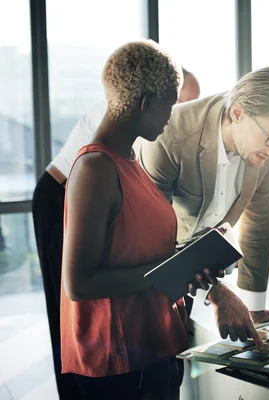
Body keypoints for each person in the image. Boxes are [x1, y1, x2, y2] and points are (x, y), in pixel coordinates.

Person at [31, 68, 199, 399]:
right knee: (65, 314)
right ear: (147, 102)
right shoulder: (99, 161)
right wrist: (161, 272)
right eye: (173, 105)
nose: (176, 116)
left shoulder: (132, 150)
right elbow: (80, 284)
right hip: (60, 190)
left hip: (145, 342)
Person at [138, 65, 269, 341]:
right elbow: (150, 237)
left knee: (178, 363)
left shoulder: (264, 151)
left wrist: (255, 306)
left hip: (192, 271)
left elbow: (259, 223)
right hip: (139, 275)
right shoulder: (171, 136)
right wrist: (216, 293)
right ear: (238, 113)